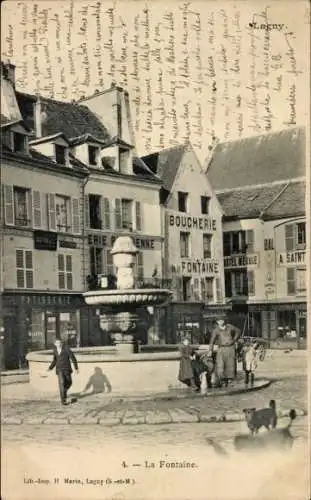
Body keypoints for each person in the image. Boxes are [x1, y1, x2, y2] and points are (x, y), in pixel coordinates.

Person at [209, 315, 241, 388]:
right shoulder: (216, 330)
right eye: (219, 321)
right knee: (221, 365)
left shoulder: (229, 327)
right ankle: (222, 381)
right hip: (221, 349)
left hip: (230, 348)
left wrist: (234, 340)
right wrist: (210, 350)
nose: (221, 322)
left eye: (222, 320)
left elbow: (238, 331)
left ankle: (229, 381)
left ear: (224, 321)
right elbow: (212, 341)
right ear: (217, 322)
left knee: (230, 365)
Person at [47, 339, 79, 405]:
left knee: (69, 382)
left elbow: (73, 358)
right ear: (55, 344)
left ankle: (64, 392)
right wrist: (50, 368)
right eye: (57, 343)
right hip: (59, 369)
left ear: (61, 343)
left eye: (59, 343)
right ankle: (63, 400)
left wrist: (76, 368)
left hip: (67, 369)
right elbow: (55, 360)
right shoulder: (55, 350)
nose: (58, 344)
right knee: (61, 383)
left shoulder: (66, 349)